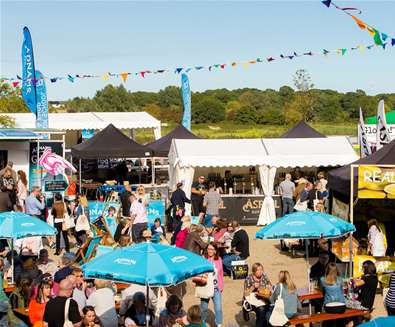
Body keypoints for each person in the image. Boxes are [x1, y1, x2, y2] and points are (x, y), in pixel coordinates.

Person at [200, 243, 223, 327]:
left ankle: (219, 324)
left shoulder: (219, 259)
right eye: (208, 249)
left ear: (215, 251)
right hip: (205, 287)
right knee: (204, 308)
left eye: (212, 249)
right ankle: (202, 323)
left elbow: (220, 274)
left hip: (216, 288)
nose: (210, 251)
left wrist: (221, 287)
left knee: (218, 308)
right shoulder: (203, 259)